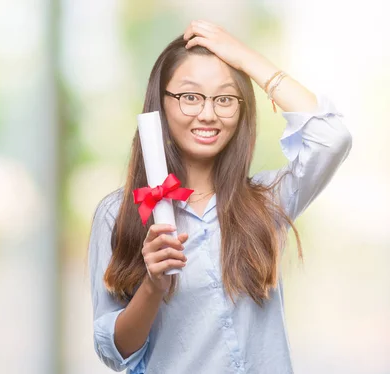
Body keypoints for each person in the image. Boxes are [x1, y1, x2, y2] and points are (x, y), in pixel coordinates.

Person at [87, 20, 351, 373]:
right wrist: (153, 285)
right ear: (160, 103)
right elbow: (115, 353)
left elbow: (331, 137)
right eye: (190, 97)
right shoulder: (118, 214)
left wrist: (245, 58)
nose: (208, 114)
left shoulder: (267, 202)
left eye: (225, 98)